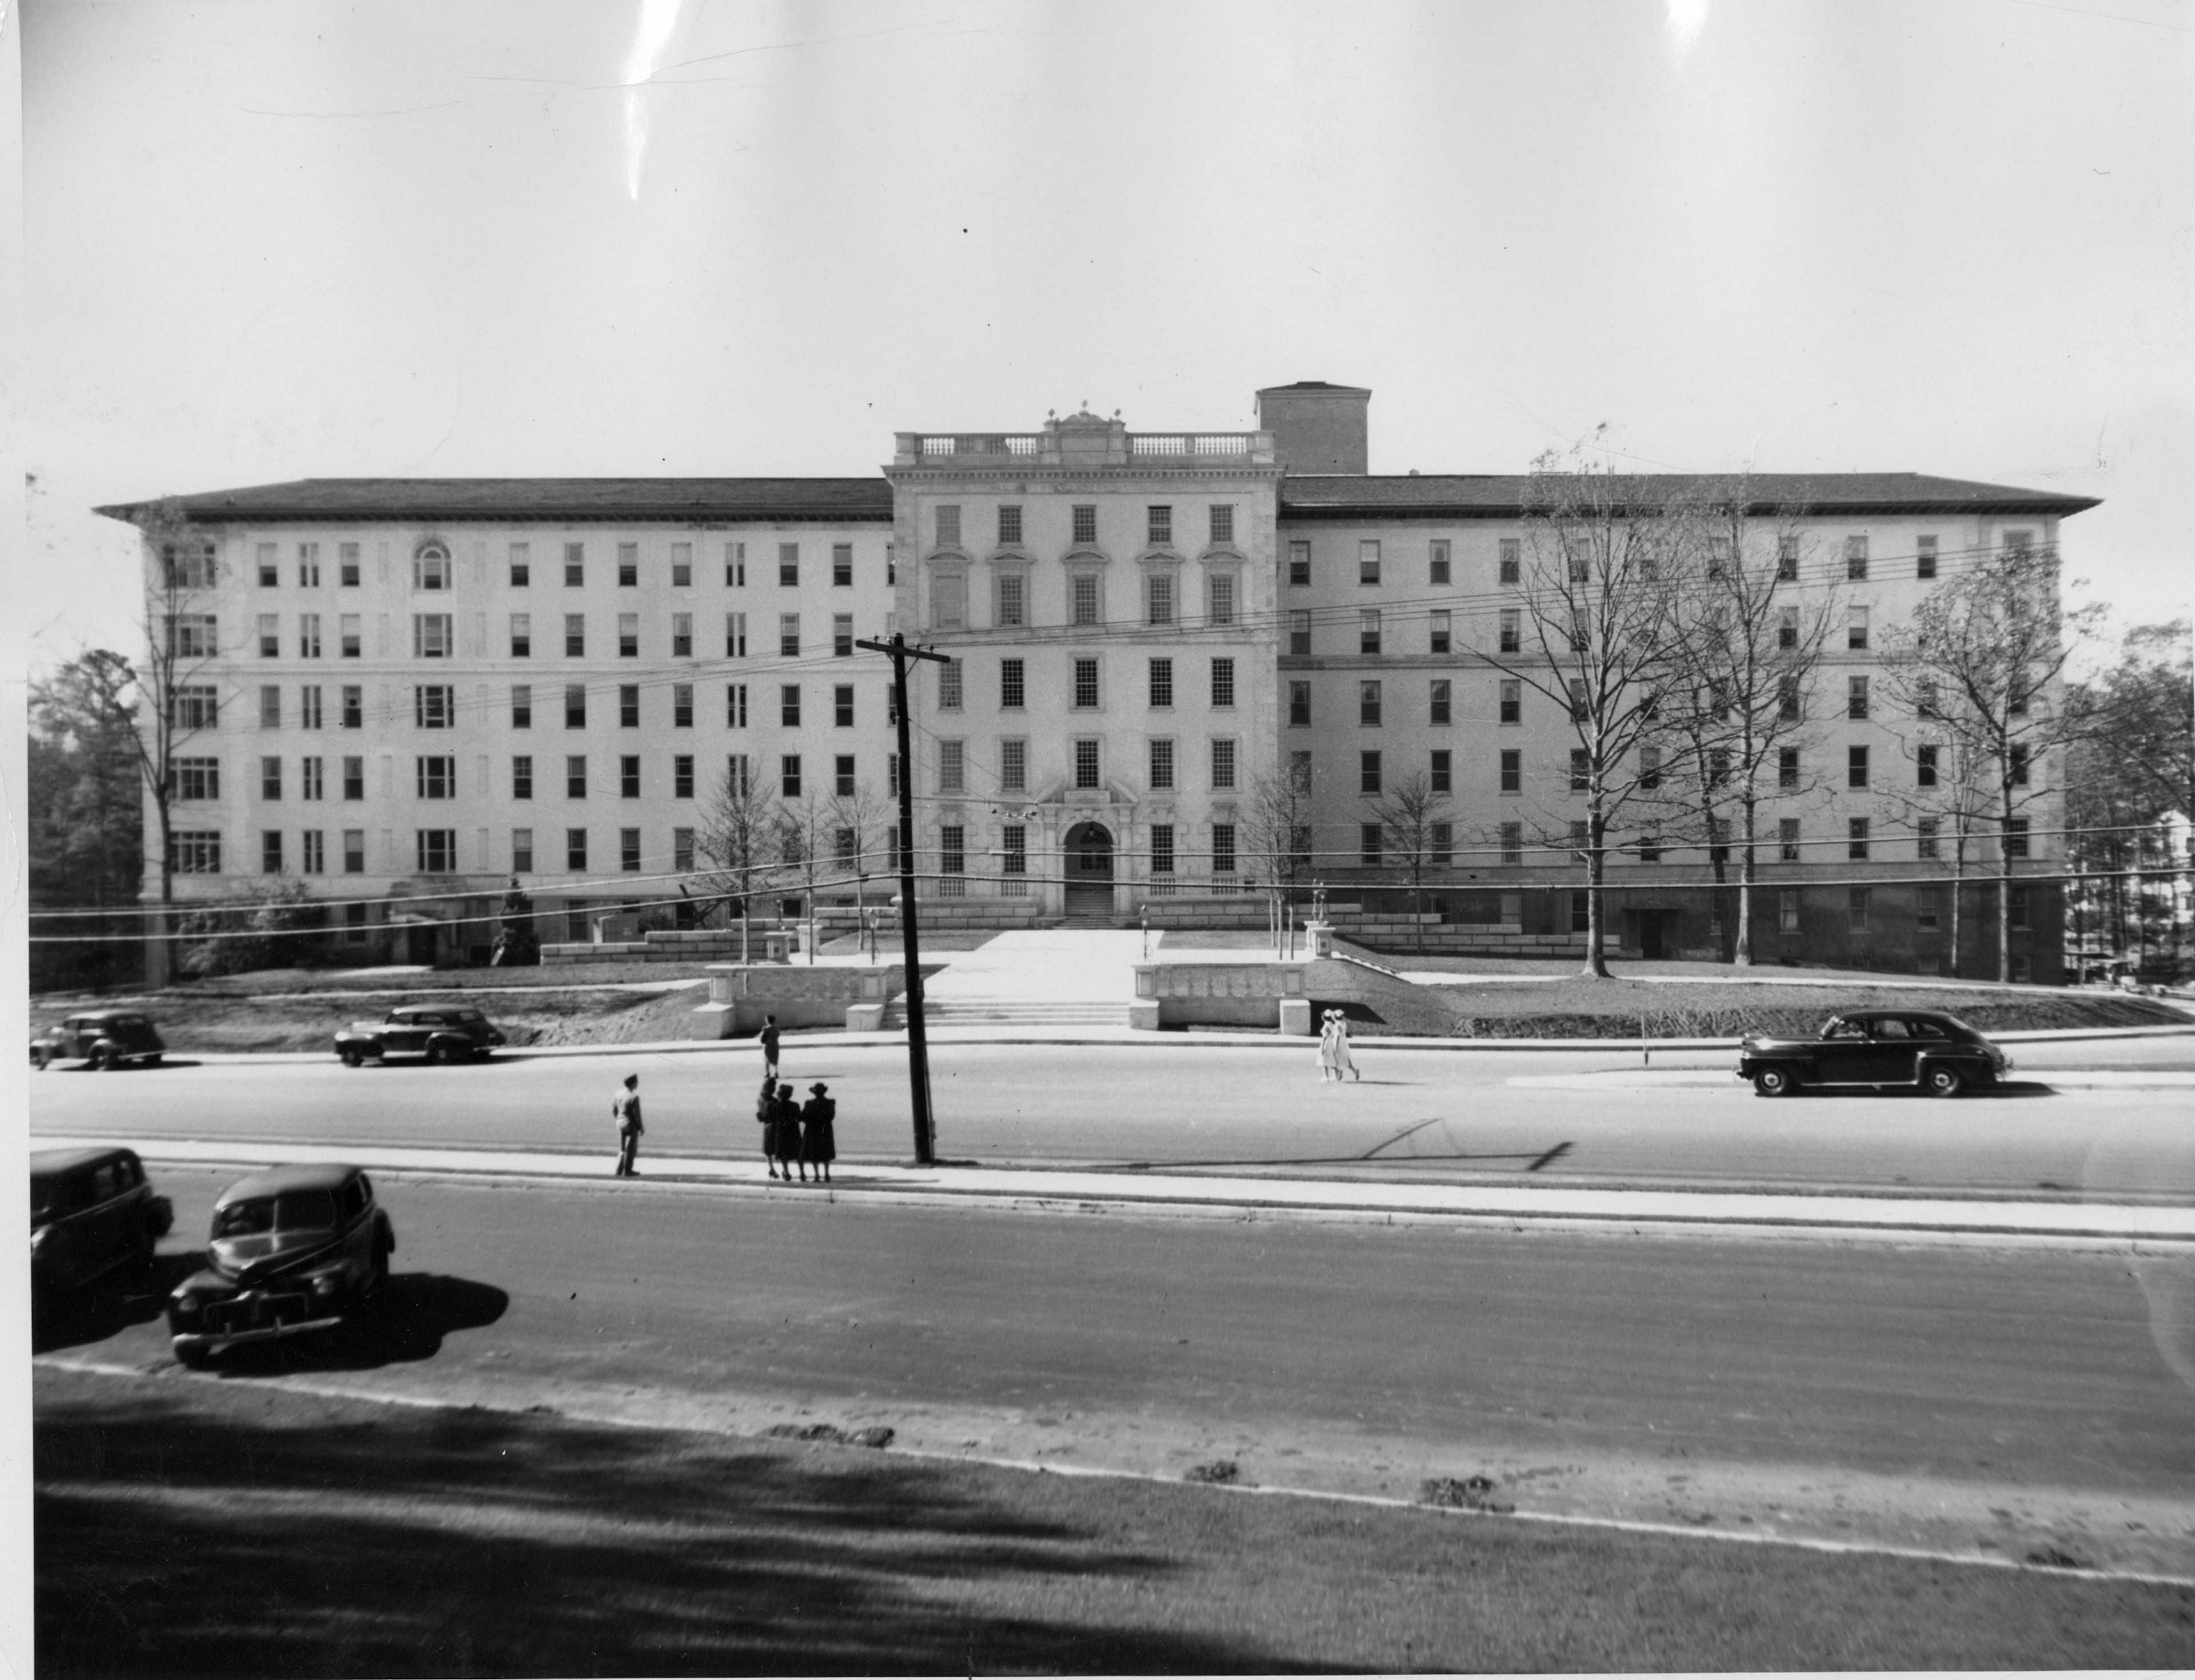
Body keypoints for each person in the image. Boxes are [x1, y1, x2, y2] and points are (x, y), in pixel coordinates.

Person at [800, 1082, 837, 1185]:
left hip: (813, 1130)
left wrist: (811, 1122)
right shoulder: (830, 1103)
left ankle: (817, 1174)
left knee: (814, 1153)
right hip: (826, 1129)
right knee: (826, 1152)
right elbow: (831, 1117)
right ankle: (826, 1173)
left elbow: (803, 1117)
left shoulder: (809, 1103)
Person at [769, 1082, 803, 1182]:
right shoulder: (795, 1105)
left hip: (782, 1132)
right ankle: (802, 1173)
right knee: (798, 1153)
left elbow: (772, 1119)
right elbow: (799, 1118)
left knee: (783, 1155)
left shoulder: (776, 1106)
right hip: (794, 1131)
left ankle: (787, 1172)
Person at [612, 1073, 643, 1176]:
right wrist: (640, 1127)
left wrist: (619, 1119)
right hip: (630, 1125)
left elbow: (615, 1110)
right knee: (630, 1150)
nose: (638, 1083)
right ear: (633, 1083)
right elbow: (636, 1115)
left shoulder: (618, 1094)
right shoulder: (634, 1097)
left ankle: (619, 1170)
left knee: (622, 1149)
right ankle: (628, 1171)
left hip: (620, 1123)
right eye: (636, 1082)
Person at [756, 1071, 783, 1179]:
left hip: (767, 1126)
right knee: (778, 1149)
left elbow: (761, 1117)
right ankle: (783, 1170)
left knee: (768, 1151)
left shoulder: (760, 1100)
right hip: (775, 1127)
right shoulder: (774, 1101)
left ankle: (771, 1169)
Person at [1331, 1012, 1360, 1083]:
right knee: (1346, 1059)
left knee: (1332, 1059)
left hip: (1339, 1043)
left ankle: (1337, 1073)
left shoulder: (1337, 1025)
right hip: (1344, 1042)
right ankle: (1354, 1070)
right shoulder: (1343, 1023)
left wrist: (1336, 1047)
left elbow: (1337, 1036)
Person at [1316, 1010, 1339, 1082]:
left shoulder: (1326, 1026)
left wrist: (1323, 1048)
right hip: (1331, 1043)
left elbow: (1325, 1038)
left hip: (1326, 1043)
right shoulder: (1332, 1025)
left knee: (1324, 1060)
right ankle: (1335, 1076)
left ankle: (1326, 1077)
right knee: (1331, 1059)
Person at [760, 1015, 781, 1082]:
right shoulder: (777, 1028)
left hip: (767, 1046)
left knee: (767, 1059)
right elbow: (778, 1035)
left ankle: (768, 1073)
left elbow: (761, 1037)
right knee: (775, 1058)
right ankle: (776, 1072)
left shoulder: (765, 1028)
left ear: (768, 1020)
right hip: (775, 1045)